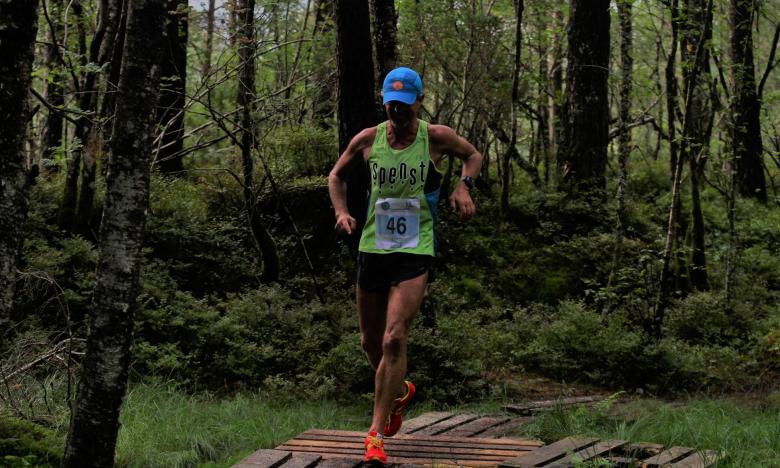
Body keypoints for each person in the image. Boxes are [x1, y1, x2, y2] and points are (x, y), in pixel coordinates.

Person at [328, 67, 483, 465]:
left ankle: (375, 435)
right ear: (384, 102)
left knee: (394, 339)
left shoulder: (436, 137)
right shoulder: (367, 140)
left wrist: (463, 185)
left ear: (418, 101)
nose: (397, 111)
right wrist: (342, 212)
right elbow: (336, 176)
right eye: (390, 104)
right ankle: (399, 393)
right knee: (369, 341)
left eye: (404, 104)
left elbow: (473, 155)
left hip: (416, 249)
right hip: (373, 248)